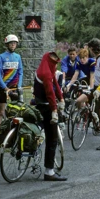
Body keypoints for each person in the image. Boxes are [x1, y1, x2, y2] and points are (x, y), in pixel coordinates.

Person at [33, 51, 67, 181]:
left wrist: (61, 98)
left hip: (38, 105)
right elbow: (50, 93)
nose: (55, 65)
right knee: (52, 139)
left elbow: (56, 85)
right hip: (47, 107)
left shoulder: (43, 68)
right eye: (54, 62)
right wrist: (54, 109)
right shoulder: (46, 74)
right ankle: (49, 171)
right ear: (49, 60)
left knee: (40, 130)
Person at [0, 35, 23, 128]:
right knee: (1, 111)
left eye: (14, 43)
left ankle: (14, 130)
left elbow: (20, 72)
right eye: (11, 43)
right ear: (7, 44)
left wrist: (19, 85)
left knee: (16, 110)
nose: (13, 45)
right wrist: (4, 86)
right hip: (4, 87)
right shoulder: (1, 56)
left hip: (14, 87)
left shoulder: (18, 57)